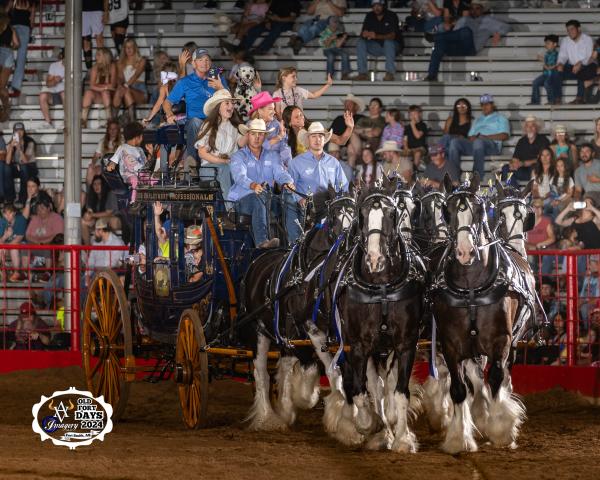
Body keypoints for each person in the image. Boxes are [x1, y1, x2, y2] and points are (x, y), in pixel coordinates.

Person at [228, 119, 295, 249]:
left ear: (264, 136)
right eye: (253, 134)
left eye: (260, 134)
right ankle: (262, 242)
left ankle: (293, 242)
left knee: (290, 198)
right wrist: (253, 185)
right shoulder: (238, 156)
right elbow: (239, 176)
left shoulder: (273, 155)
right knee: (259, 196)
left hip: (267, 198)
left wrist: (288, 182)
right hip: (243, 201)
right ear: (248, 135)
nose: (257, 137)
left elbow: (280, 172)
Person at [163, 48, 227, 173]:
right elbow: (167, 102)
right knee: (194, 122)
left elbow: (230, 101)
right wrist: (169, 114)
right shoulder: (185, 82)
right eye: (200, 60)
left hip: (216, 120)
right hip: (195, 121)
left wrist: (220, 87)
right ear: (193, 64)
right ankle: (192, 161)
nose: (205, 62)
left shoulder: (217, 78)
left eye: (207, 60)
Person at [287, 122, 349, 242]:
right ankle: (295, 243)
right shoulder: (296, 163)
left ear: (324, 139)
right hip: (306, 209)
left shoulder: (334, 162)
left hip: (330, 209)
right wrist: (299, 199)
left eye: (320, 136)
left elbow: (343, 187)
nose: (317, 139)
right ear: (308, 139)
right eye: (313, 136)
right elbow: (289, 187)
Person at [423, 1, 510, 82]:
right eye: (472, 8)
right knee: (441, 43)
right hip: (456, 47)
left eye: (477, 8)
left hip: (470, 48)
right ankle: (432, 75)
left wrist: (498, 33)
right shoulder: (464, 19)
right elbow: (454, 33)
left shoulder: (488, 20)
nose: (474, 11)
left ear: (482, 10)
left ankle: (435, 37)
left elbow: (507, 27)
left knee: (465, 31)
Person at [195, 89, 245, 202]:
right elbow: (202, 153)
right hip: (209, 168)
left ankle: (243, 205)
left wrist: (249, 132)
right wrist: (223, 161)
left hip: (226, 166)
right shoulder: (209, 125)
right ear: (218, 107)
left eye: (232, 103)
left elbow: (240, 142)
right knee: (225, 168)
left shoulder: (233, 126)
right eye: (227, 103)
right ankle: (231, 207)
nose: (231, 106)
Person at [447, 93, 510, 180]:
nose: (484, 107)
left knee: (478, 141)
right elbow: (470, 136)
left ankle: (476, 177)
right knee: (454, 142)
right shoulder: (477, 120)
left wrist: (486, 137)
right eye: (482, 105)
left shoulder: (500, 118)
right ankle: (453, 177)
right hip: (476, 145)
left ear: (492, 105)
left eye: (487, 104)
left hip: (492, 146)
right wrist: (471, 138)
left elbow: (505, 135)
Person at [354, 0, 403, 82]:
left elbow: (392, 36)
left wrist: (376, 36)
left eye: (379, 5)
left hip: (393, 46)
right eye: (374, 6)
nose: (377, 8)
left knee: (388, 42)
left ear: (383, 6)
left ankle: (390, 73)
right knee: (360, 42)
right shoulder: (369, 15)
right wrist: (365, 34)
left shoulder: (391, 15)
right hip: (377, 46)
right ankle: (362, 73)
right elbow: (363, 33)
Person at [247, 91, 292, 167]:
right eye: (270, 109)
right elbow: (256, 148)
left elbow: (284, 148)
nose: (274, 112)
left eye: (274, 109)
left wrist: (288, 166)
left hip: (277, 166)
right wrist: (278, 137)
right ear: (260, 110)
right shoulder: (250, 126)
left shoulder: (277, 125)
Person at [556, 19, 596, 104]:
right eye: (568, 30)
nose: (570, 32)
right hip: (571, 67)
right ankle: (557, 99)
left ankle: (579, 98)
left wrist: (580, 63)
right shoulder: (565, 40)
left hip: (585, 66)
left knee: (583, 71)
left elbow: (589, 58)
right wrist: (560, 63)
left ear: (579, 29)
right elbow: (563, 55)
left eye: (572, 29)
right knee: (557, 72)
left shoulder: (587, 39)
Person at [502, 115, 550, 183]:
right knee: (506, 168)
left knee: (535, 167)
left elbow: (544, 159)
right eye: (527, 126)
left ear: (537, 127)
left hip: (536, 170)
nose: (530, 128)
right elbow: (515, 158)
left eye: (532, 126)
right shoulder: (521, 141)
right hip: (522, 170)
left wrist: (524, 163)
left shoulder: (543, 140)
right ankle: (513, 192)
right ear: (525, 128)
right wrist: (513, 164)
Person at [107, 122, 147, 202]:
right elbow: (114, 160)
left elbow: (145, 165)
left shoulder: (140, 150)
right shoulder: (122, 148)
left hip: (141, 174)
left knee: (152, 180)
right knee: (135, 180)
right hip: (128, 175)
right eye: (142, 136)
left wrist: (151, 152)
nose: (143, 138)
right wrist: (111, 165)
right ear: (137, 137)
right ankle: (134, 201)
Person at [112, 38, 147, 122]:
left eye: (131, 47)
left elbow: (136, 75)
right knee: (119, 91)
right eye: (126, 47)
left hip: (140, 90)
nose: (128, 49)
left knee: (125, 90)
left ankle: (132, 121)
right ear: (124, 49)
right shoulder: (120, 62)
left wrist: (125, 86)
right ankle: (113, 121)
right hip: (126, 90)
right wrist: (121, 86)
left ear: (135, 48)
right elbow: (120, 78)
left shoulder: (142, 60)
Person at [81, 47, 117, 128]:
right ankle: (83, 120)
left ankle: (109, 120)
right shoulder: (95, 67)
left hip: (111, 96)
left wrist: (100, 87)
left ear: (105, 56)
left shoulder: (112, 66)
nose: (95, 57)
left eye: (98, 55)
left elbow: (112, 85)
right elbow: (92, 86)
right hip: (99, 94)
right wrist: (104, 87)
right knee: (88, 92)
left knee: (105, 93)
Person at [85, 218, 126, 287]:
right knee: (83, 282)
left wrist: (97, 272)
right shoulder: (96, 242)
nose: (94, 232)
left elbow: (114, 263)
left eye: (95, 230)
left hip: (110, 273)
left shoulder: (117, 242)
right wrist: (87, 274)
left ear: (100, 230)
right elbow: (91, 261)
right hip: (97, 273)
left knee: (83, 285)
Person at [82, 175, 120, 245]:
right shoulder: (92, 196)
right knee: (83, 222)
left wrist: (92, 215)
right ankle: (88, 248)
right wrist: (88, 215)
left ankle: (111, 243)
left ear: (103, 185)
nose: (96, 186)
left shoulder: (110, 193)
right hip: (98, 220)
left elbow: (109, 212)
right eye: (94, 184)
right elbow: (90, 211)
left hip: (113, 219)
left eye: (99, 184)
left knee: (106, 221)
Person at [330, 93, 365, 166]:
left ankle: (348, 173)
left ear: (355, 106)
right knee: (334, 145)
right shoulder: (338, 119)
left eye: (350, 104)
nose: (347, 106)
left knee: (351, 148)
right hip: (340, 148)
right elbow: (331, 133)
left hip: (358, 147)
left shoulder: (361, 118)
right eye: (345, 104)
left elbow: (365, 133)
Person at [8, 0, 34, 98]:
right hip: (25, 28)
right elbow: (32, 21)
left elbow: (6, 12)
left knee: (8, 54)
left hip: (13, 28)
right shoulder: (30, 3)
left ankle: (5, 80)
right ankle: (16, 84)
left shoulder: (13, 1)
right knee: (21, 57)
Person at [6, 122, 37, 204]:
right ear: (14, 132)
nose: (19, 133)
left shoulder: (30, 142)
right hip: (17, 168)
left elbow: (26, 161)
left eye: (21, 130)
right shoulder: (11, 143)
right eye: (17, 131)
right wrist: (11, 148)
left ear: (24, 131)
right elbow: (8, 161)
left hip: (29, 167)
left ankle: (22, 199)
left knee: (23, 167)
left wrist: (19, 148)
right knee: (6, 168)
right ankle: (10, 198)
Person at [525, 198, 556, 274]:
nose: (537, 209)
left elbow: (552, 238)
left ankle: (543, 279)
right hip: (530, 250)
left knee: (547, 256)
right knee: (529, 256)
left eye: (540, 207)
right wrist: (530, 246)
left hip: (544, 249)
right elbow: (522, 240)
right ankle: (534, 278)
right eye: (535, 207)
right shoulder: (526, 222)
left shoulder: (546, 221)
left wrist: (539, 245)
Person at [87, 120, 122, 185]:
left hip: (116, 166)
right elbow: (96, 156)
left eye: (114, 129)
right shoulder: (102, 141)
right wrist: (93, 164)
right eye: (110, 129)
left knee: (102, 170)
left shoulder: (122, 141)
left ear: (118, 130)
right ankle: (91, 192)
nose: (112, 131)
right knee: (90, 169)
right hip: (104, 165)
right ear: (108, 130)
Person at [530, 34, 561, 106]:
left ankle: (551, 100)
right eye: (546, 43)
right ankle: (535, 101)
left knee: (547, 83)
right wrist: (543, 60)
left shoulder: (557, 54)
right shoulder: (547, 53)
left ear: (555, 44)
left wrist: (544, 62)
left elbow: (553, 65)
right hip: (545, 74)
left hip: (552, 75)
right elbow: (546, 64)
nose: (546, 45)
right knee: (535, 82)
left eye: (548, 43)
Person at [39, 48, 65, 128]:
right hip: (55, 95)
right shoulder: (54, 66)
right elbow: (48, 84)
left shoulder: (75, 66)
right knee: (43, 95)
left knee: (64, 93)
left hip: (69, 96)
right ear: (62, 56)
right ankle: (48, 122)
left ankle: (67, 121)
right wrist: (55, 80)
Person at [0, 203, 27, 282]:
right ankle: (3, 271)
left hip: (20, 245)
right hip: (7, 246)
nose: (7, 216)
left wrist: (5, 245)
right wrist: (5, 235)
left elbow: (19, 238)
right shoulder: (1, 222)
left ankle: (16, 272)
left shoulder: (20, 220)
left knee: (14, 248)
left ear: (14, 213)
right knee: (1, 248)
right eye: (5, 213)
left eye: (10, 213)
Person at [319, 16, 350, 80]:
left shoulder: (338, 32)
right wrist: (331, 38)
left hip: (336, 49)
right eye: (334, 22)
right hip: (327, 49)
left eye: (337, 22)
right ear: (329, 24)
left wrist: (343, 38)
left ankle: (344, 74)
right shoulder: (324, 32)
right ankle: (329, 76)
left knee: (345, 54)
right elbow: (326, 45)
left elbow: (338, 46)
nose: (336, 24)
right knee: (330, 56)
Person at [0, 12, 18, 121]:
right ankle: (6, 108)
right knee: (2, 86)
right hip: (8, 53)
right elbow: (16, 44)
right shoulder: (11, 28)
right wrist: (10, 46)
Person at [82, 0, 106, 69]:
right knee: (86, 41)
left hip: (97, 9)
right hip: (83, 10)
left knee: (99, 39)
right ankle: (89, 69)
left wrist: (106, 11)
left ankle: (101, 67)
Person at [403, 105, 429, 170]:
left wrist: (413, 125)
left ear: (420, 114)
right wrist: (406, 148)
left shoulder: (423, 125)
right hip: (410, 148)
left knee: (417, 153)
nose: (413, 116)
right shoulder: (407, 127)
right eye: (411, 114)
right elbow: (405, 139)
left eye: (415, 113)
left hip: (420, 148)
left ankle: (413, 170)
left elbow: (417, 136)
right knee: (400, 154)